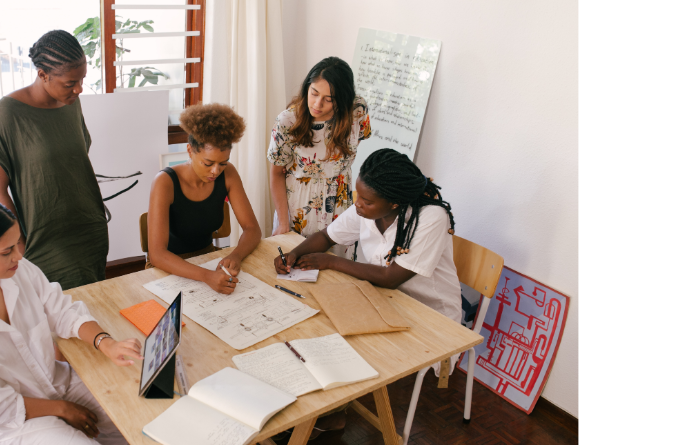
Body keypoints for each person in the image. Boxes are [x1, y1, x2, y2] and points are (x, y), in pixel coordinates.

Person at [0, 197, 142, 445]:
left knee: (135, 414)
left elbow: (62, 310)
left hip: (53, 382)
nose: (19, 256)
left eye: (17, 243)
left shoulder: (18, 270)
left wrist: (106, 343)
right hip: (5, 425)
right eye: (6, 251)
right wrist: (62, 409)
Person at [273, 148, 461, 376]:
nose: (358, 204)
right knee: (321, 325)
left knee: (347, 347)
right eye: (358, 196)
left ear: (394, 203)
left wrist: (330, 262)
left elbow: (391, 278)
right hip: (386, 300)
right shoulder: (366, 210)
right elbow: (326, 237)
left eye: (366, 201)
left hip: (429, 314)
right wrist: (293, 254)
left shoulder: (430, 218)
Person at [0, 30, 108, 291]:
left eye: (82, 79)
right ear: (43, 74)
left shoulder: (71, 102)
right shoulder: (8, 114)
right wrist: (18, 243)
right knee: (57, 315)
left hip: (89, 228)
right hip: (45, 238)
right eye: (70, 83)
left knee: (94, 306)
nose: (78, 89)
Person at [146, 103, 261, 294]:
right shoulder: (165, 182)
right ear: (190, 151)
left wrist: (236, 255)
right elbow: (157, 255)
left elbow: (252, 228)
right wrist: (207, 276)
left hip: (208, 260)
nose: (215, 171)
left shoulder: (228, 174)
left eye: (223, 163)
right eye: (208, 163)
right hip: (168, 268)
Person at [268, 56, 372, 257]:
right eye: (314, 93)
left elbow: (349, 151)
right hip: (299, 208)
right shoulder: (288, 121)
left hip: (340, 206)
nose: (317, 104)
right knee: (295, 269)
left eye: (329, 99)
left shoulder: (357, 110)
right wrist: (282, 223)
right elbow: (276, 173)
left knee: (337, 274)